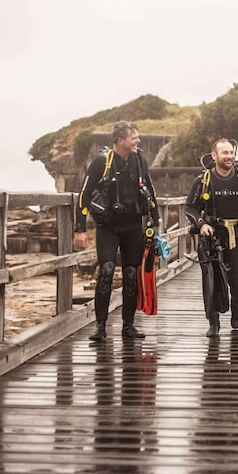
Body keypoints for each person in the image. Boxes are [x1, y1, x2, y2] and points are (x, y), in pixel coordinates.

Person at [75, 121, 160, 341]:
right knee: (107, 271)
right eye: (134, 138)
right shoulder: (101, 162)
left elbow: (150, 190)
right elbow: (84, 195)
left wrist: (155, 222)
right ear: (120, 140)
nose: (138, 141)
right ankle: (101, 326)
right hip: (108, 227)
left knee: (131, 275)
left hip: (132, 225)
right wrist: (80, 229)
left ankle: (128, 326)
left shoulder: (139, 160)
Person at [185, 139, 238, 337]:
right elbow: (190, 208)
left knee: (237, 284)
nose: (229, 156)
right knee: (211, 281)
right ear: (214, 156)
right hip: (210, 236)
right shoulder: (204, 180)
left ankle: (235, 305)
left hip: (233, 234)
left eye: (231, 152)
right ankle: (213, 322)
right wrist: (201, 224)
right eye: (224, 153)